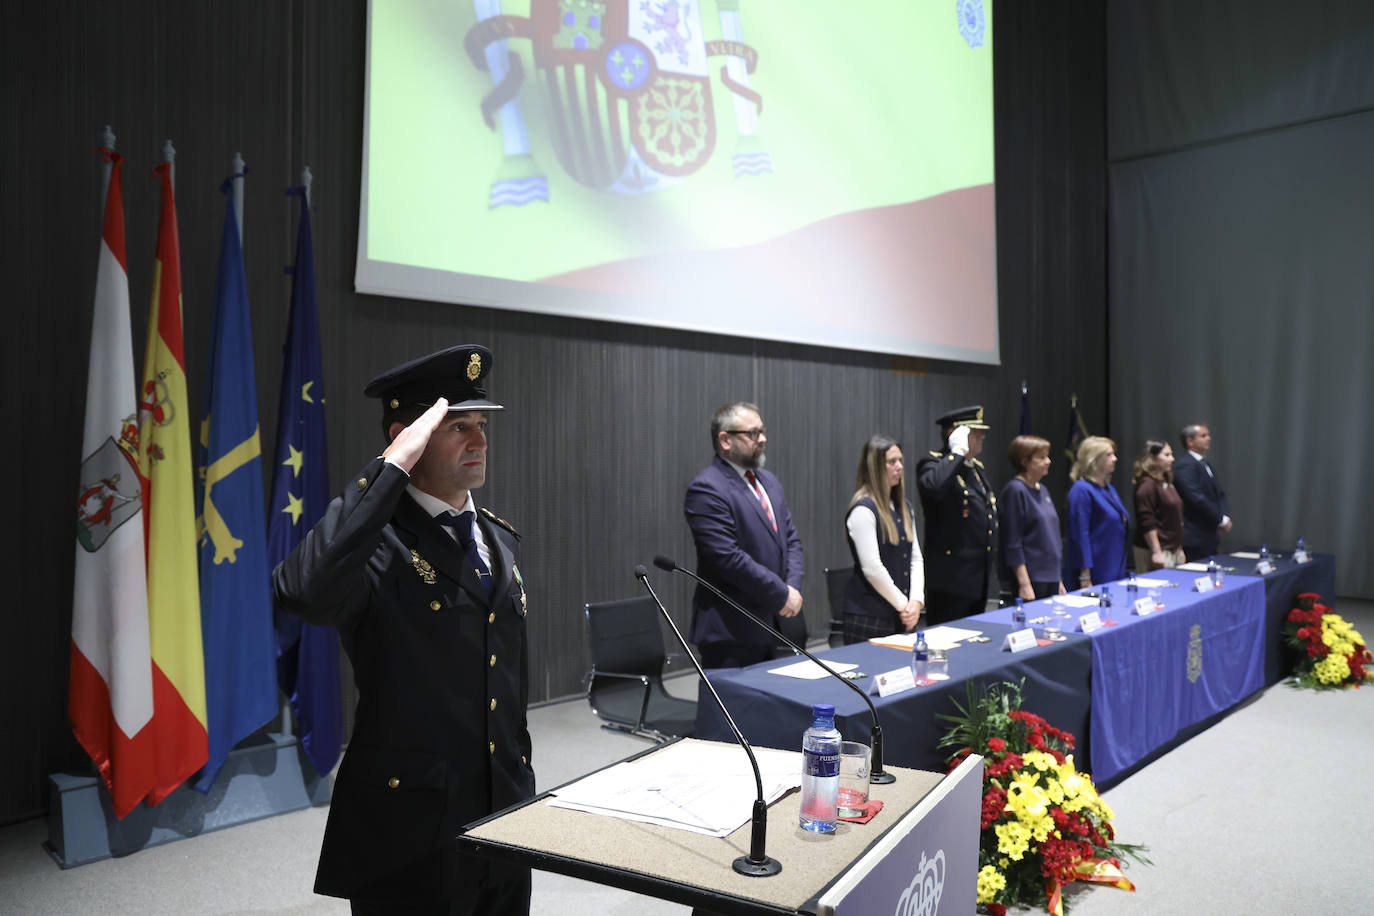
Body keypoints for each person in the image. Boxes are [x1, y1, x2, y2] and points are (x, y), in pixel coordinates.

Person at [272, 345, 534, 915]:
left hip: (506, 812)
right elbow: (300, 590)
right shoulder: (373, 544)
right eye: (457, 427)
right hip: (412, 827)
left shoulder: (499, 540)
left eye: (482, 425)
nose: (479, 441)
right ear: (406, 436)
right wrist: (387, 469)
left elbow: (508, 686)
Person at [684, 401, 805, 668]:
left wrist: (792, 588)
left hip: (776, 624)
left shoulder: (769, 482)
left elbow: (791, 541)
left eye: (762, 431)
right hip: (731, 632)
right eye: (752, 433)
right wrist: (782, 594)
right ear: (725, 440)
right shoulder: (707, 489)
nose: (762, 439)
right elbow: (728, 559)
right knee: (732, 710)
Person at [916, 405, 998, 624]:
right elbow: (933, 487)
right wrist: (957, 453)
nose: (982, 435)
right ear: (955, 434)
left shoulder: (976, 468)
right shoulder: (933, 464)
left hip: (977, 578)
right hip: (950, 580)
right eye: (975, 431)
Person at [839, 435, 925, 643]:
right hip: (869, 619)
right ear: (875, 468)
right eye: (892, 462)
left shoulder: (904, 507)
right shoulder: (863, 509)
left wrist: (916, 601)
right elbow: (872, 568)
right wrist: (904, 605)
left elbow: (915, 559)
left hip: (901, 614)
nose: (900, 467)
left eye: (900, 461)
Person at [998, 435, 1065, 601]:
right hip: (1032, 578)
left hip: (1051, 576)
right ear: (1024, 461)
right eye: (1041, 457)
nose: (1048, 461)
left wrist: (1058, 579)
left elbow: (1051, 537)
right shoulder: (1015, 491)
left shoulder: (1043, 489)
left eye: (1047, 456)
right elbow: (1013, 542)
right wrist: (1024, 583)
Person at [1066, 436, 1130, 588]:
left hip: (1114, 566)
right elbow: (1081, 535)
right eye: (1109, 455)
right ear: (1093, 459)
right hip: (1095, 571)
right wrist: (1085, 575)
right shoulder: (1082, 490)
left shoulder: (1108, 488)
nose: (1115, 459)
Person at [1172, 422, 1232, 561]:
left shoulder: (1205, 464)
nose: (1208, 438)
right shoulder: (1185, 465)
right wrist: (1219, 519)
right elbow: (1195, 497)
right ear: (1190, 441)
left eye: (1208, 435)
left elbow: (1219, 494)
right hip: (1195, 535)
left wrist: (1224, 516)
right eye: (1203, 436)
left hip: (1209, 533)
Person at [1132, 438, 1187, 571]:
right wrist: (1156, 551)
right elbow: (1147, 521)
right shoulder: (1147, 485)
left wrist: (1178, 548)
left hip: (1172, 549)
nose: (1172, 459)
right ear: (1152, 458)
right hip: (1157, 551)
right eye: (1166, 455)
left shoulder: (1166, 482)